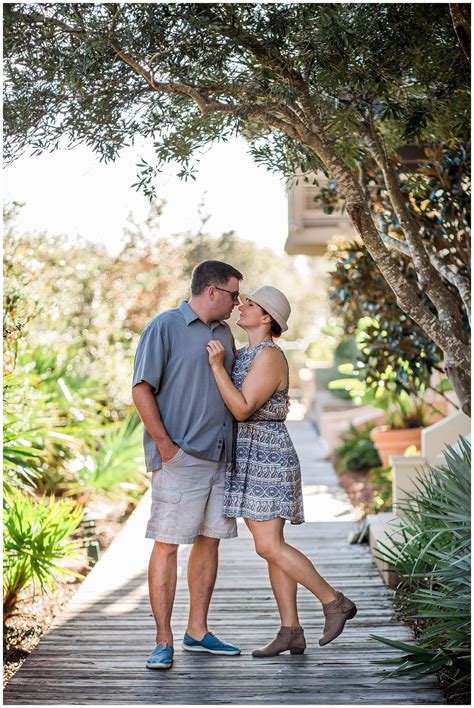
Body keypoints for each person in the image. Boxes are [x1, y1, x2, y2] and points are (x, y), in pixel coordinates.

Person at [206, 286, 358, 657]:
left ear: (267, 318)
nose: (241, 306)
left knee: (268, 545)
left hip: (268, 455)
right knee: (273, 549)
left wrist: (215, 367)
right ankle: (291, 630)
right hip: (251, 455)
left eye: (251, 304)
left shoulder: (270, 357)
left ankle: (334, 601)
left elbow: (241, 408)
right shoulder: (246, 354)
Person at [132, 260, 244, 670]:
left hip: (220, 458)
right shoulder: (164, 327)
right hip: (179, 459)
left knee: (209, 540)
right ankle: (163, 641)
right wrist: (165, 448)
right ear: (212, 291)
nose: (236, 302)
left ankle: (197, 631)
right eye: (233, 294)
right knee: (166, 545)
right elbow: (141, 388)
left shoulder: (225, 333)